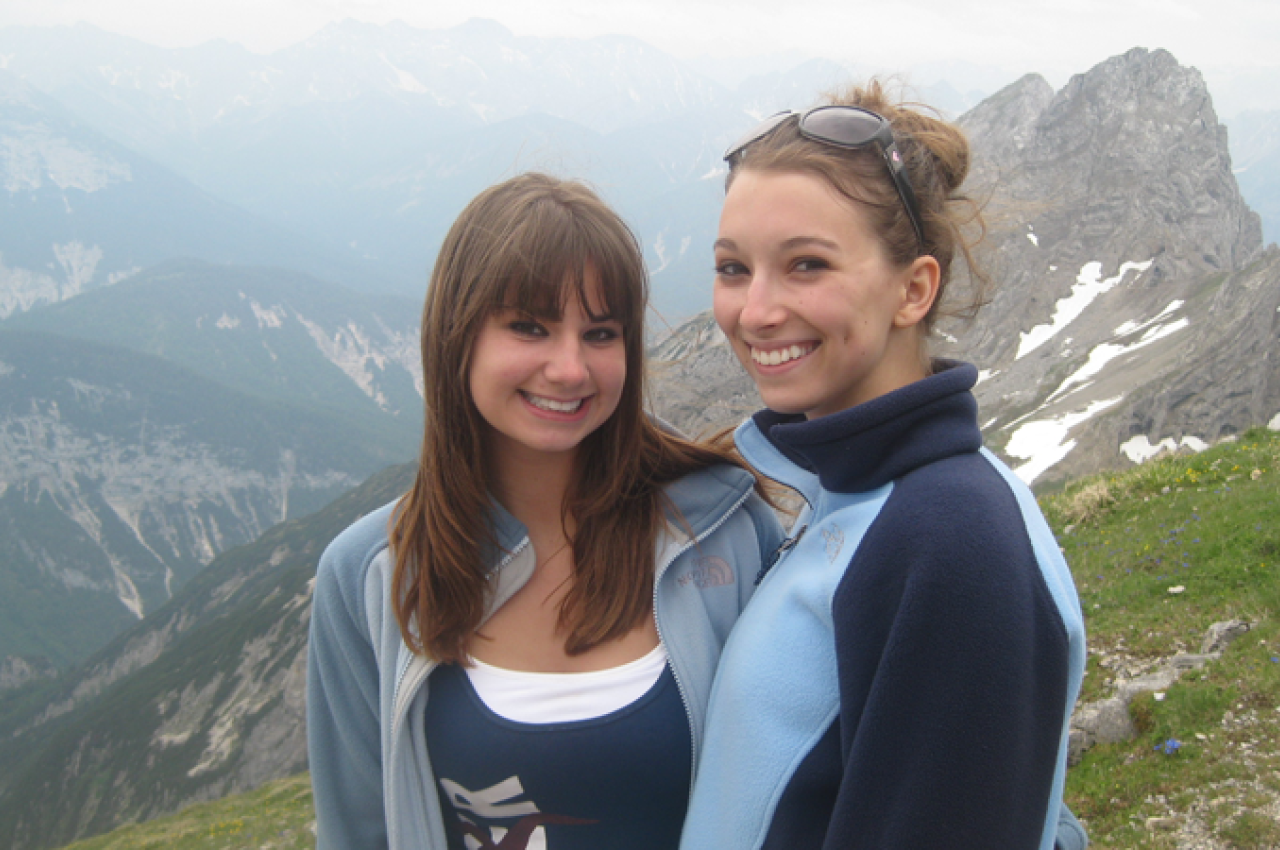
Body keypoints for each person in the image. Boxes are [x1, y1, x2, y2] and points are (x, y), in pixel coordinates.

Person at [306, 172, 783, 850]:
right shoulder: (370, 576)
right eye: (529, 327)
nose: (569, 368)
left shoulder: (724, 533)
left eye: (600, 333)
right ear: (456, 337)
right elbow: (359, 832)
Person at [679, 83, 1088, 850]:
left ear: (914, 289)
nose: (756, 310)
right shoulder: (859, 497)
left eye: (806, 265)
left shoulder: (950, 541)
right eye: (733, 268)